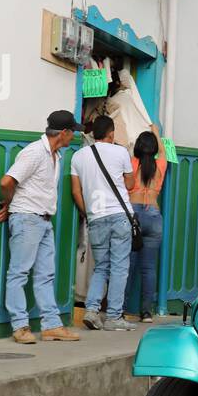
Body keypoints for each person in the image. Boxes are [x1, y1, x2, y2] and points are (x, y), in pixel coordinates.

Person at [0, 110, 83, 344]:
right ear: (63, 133)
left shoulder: (56, 155)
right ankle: (20, 327)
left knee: (46, 274)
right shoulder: (35, 152)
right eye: (72, 131)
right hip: (27, 218)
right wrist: (10, 203)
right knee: (19, 273)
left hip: (44, 220)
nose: (74, 136)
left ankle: (51, 325)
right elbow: (7, 181)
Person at [71, 115, 136, 331]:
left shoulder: (78, 157)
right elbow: (130, 183)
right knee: (119, 267)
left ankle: (91, 310)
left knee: (101, 267)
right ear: (111, 133)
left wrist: (88, 213)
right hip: (119, 215)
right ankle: (114, 316)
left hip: (95, 217)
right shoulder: (121, 152)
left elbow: (76, 191)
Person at [125, 126, 168, 322]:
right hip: (154, 213)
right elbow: (163, 151)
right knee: (148, 268)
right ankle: (146, 312)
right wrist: (156, 133)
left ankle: (122, 309)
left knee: (128, 265)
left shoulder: (132, 162)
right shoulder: (160, 165)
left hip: (134, 213)